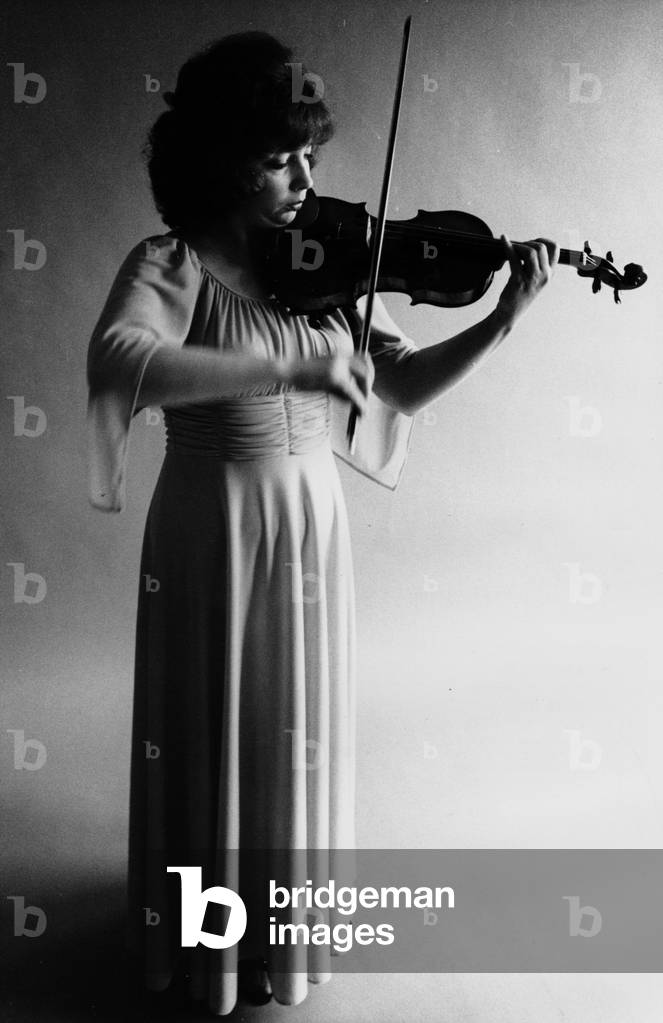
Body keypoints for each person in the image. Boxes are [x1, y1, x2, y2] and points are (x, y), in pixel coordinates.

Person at [85, 30, 558, 1018]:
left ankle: (275, 928)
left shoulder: (321, 267)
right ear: (222, 162)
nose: (306, 176)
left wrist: (501, 319)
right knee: (218, 722)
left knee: (284, 726)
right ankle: (205, 938)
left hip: (311, 530)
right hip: (214, 528)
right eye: (277, 158)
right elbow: (122, 362)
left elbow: (403, 385)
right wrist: (287, 366)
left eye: (311, 154)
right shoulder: (171, 263)